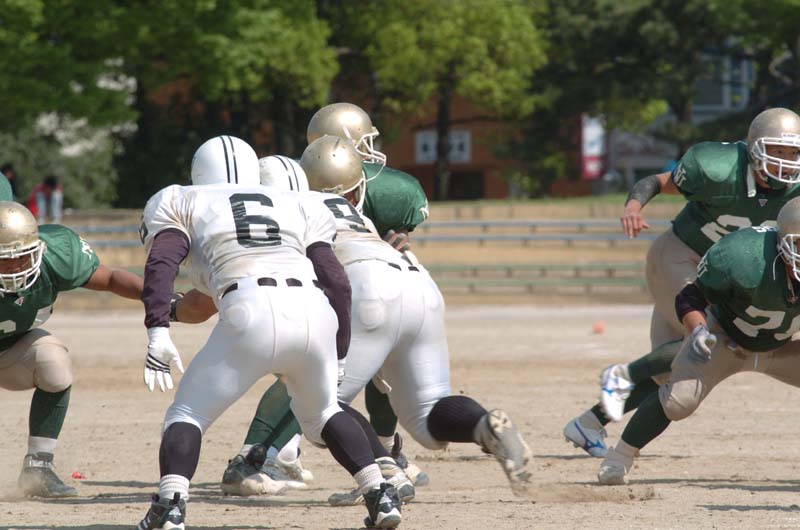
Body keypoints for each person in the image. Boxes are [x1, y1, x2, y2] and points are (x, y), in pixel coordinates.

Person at [228, 136, 533, 507]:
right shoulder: (355, 210)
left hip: (367, 289)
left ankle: (384, 473)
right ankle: (484, 425)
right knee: (427, 414)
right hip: (419, 283)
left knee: (320, 406)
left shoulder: (288, 209)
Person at [136, 135, 404, 530]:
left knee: (187, 413)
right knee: (323, 411)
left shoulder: (183, 199)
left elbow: (162, 263)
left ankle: (170, 506)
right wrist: (340, 352)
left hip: (248, 308)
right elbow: (336, 281)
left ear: (198, 172)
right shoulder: (298, 202)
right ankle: (379, 493)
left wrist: (158, 329)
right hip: (314, 310)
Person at [563, 107, 800, 457]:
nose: (785, 162)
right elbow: (656, 182)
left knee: (674, 372)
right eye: (776, 150)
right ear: (753, 148)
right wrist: (633, 208)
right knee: (704, 339)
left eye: (792, 152)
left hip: (727, 273)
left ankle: (590, 422)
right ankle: (622, 381)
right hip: (681, 257)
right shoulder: (717, 168)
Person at [221, 102, 432, 493]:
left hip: (335, 283)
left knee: (356, 363)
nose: (370, 152)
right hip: (323, 283)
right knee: (318, 370)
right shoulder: (304, 187)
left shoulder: (362, 189)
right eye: (363, 142)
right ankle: (260, 455)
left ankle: (380, 451)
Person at [599, 197, 800, 484]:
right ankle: (620, 456)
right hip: (726, 338)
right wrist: (698, 330)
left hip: (782, 347)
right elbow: (690, 296)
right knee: (678, 402)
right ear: (784, 243)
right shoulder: (742, 255)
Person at [0, 201, 144, 497]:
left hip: (10, 353)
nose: (15, 267)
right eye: (5, 260)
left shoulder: (55, 256)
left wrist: (161, 298)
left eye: (22, 257)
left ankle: (38, 468)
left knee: (53, 361)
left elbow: (109, 279)